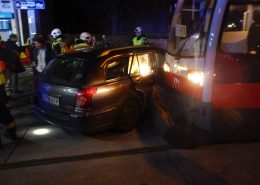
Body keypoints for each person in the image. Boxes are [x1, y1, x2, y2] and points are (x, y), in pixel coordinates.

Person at [0, 49, 18, 146]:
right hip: (2, 91)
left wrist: (7, 89)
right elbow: (7, 75)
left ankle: (11, 133)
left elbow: (6, 75)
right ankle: (12, 133)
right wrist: (8, 89)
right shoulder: (2, 60)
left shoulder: (2, 61)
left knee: (4, 113)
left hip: (1, 90)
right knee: (4, 114)